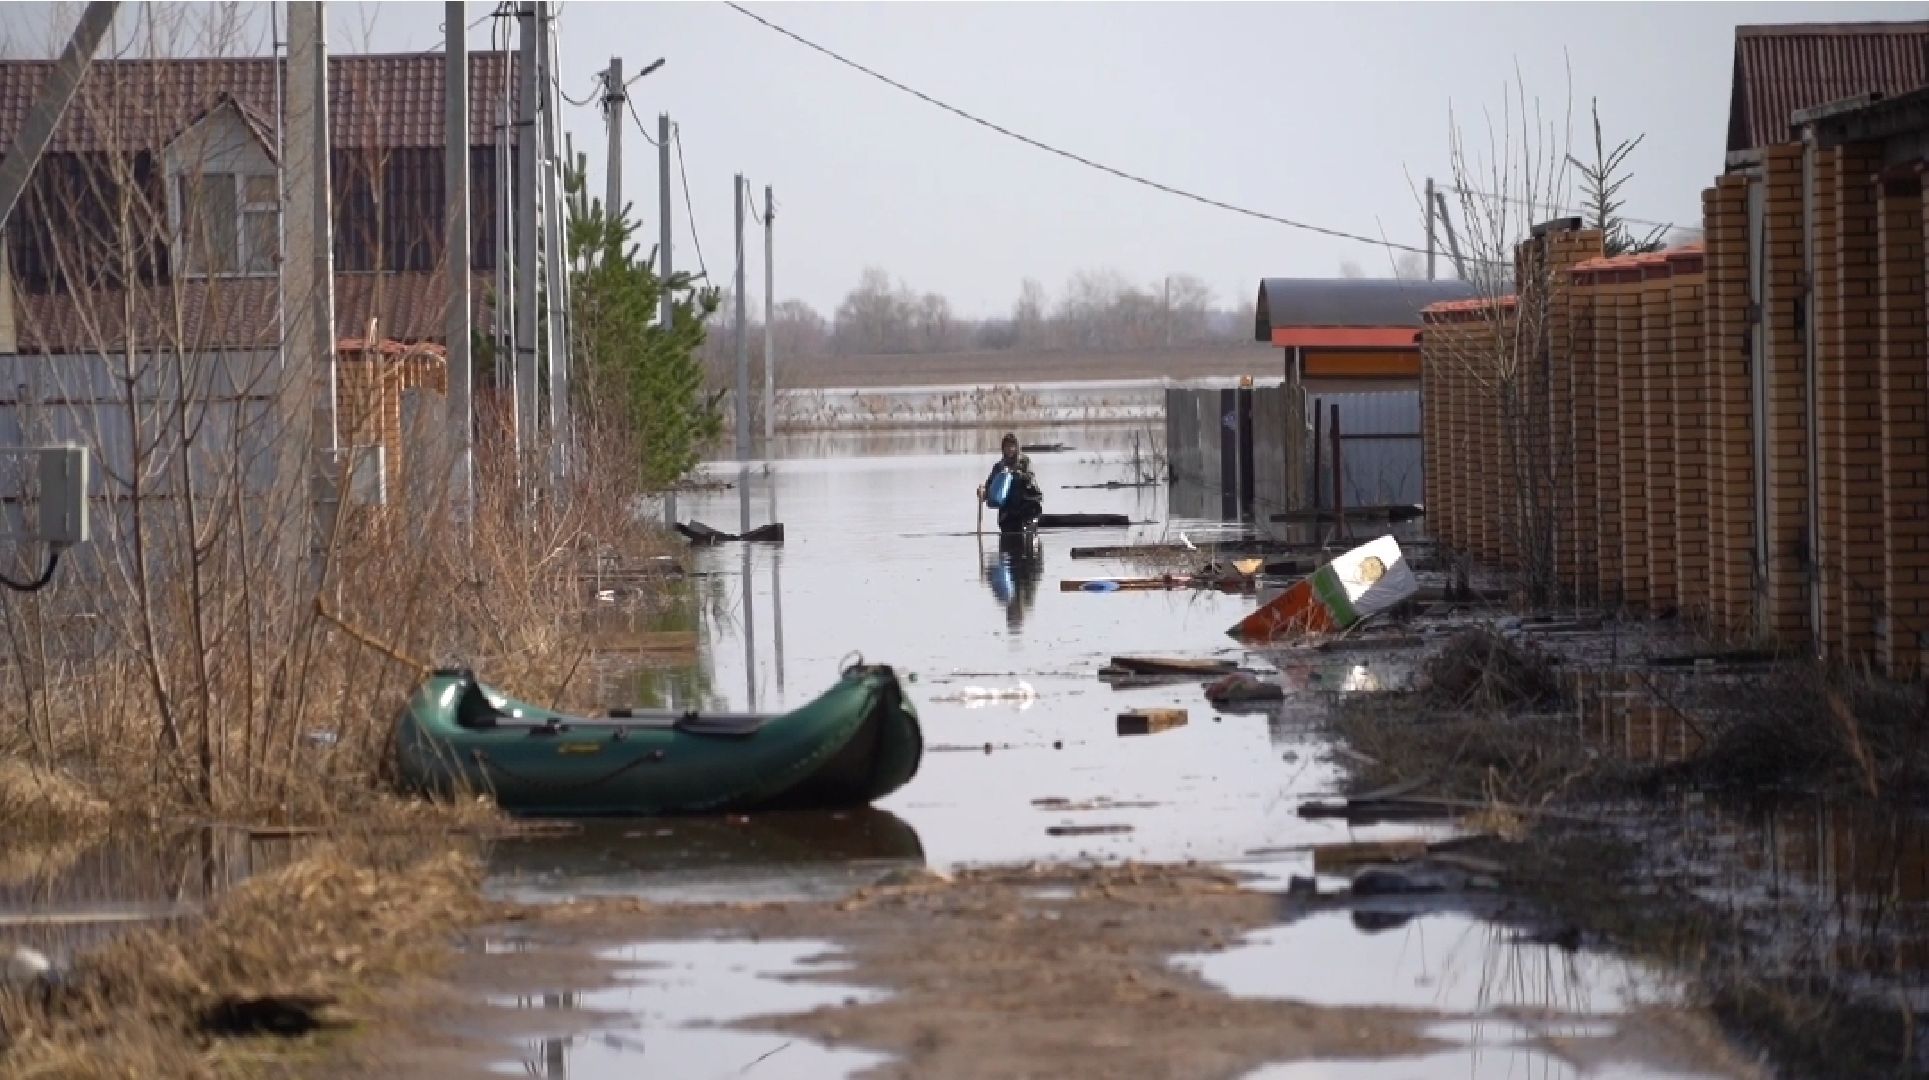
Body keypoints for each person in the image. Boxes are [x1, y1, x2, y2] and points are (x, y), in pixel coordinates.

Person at [978, 433, 1043, 533]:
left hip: (1027, 506)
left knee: (1026, 535)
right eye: (1007, 446)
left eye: (1012, 446)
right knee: (1008, 536)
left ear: (1017, 447)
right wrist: (983, 492)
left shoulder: (1024, 462)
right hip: (1008, 511)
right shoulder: (999, 467)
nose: (1009, 449)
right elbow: (990, 485)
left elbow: (1030, 478)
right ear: (1003, 449)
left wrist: (1015, 473)